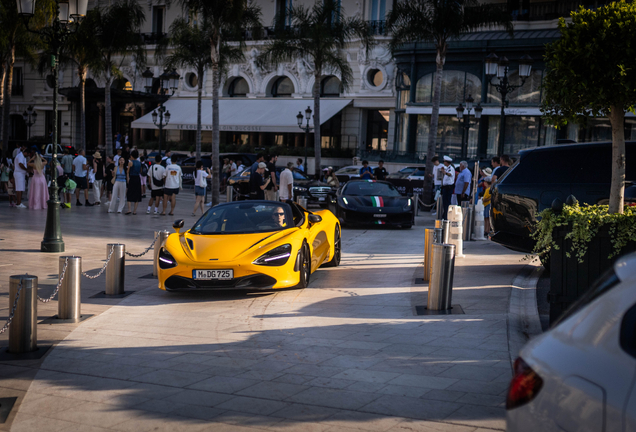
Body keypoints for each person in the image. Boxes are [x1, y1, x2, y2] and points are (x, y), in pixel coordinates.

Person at [125, 149, 142, 215]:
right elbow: (140, 171)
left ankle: (129, 209)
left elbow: (128, 171)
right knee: (137, 194)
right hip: (137, 178)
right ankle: (134, 210)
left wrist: (127, 179)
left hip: (132, 177)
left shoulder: (130, 162)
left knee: (129, 193)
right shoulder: (139, 162)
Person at [441, 156, 455, 220]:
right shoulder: (447, 168)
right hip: (445, 187)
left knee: (447, 202)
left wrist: (445, 172)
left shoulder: (451, 168)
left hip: (448, 187)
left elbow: (450, 174)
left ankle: (447, 215)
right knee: (444, 202)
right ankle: (445, 214)